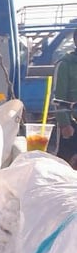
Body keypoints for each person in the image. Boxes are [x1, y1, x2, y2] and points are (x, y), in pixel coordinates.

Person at [55, 32, 77, 168]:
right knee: (66, 166)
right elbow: (58, 98)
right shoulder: (65, 64)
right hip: (71, 126)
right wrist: (64, 124)